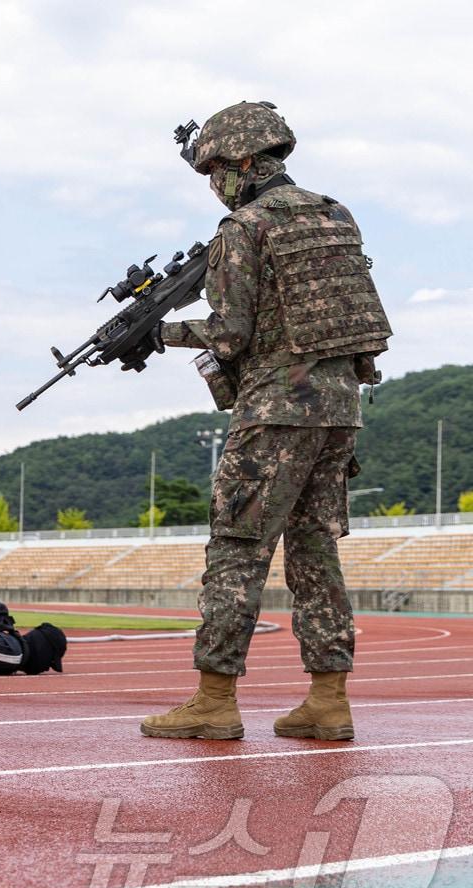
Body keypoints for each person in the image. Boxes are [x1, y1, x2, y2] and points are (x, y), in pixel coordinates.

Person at [140, 102, 391, 741]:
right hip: (339, 410)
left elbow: (230, 333)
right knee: (313, 553)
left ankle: (215, 700)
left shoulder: (243, 227)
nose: (214, 184)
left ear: (246, 162)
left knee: (237, 549)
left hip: (275, 413)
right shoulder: (335, 214)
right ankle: (328, 701)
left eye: (217, 170)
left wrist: (159, 331)